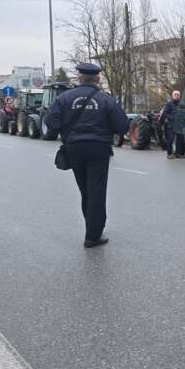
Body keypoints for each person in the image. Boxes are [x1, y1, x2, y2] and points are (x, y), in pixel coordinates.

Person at [43, 63, 130, 248]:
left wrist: (67, 130)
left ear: (79, 79)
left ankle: (92, 227)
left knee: (85, 189)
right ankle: (93, 235)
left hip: (74, 148)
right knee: (96, 190)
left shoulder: (65, 97)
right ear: (98, 80)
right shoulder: (106, 99)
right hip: (98, 148)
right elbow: (123, 126)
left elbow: (50, 122)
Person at [160, 90, 185, 159]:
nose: (177, 96)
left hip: (179, 125)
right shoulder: (169, 104)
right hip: (171, 125)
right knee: (171, 139)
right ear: (172, 95)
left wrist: (184, 120)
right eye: (175, 94)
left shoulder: (180, 104)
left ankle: (177, 153)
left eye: (178, 95)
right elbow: (164, 113)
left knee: (179, 140)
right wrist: (172, 119)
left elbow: (183, 113)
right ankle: (169, 154)